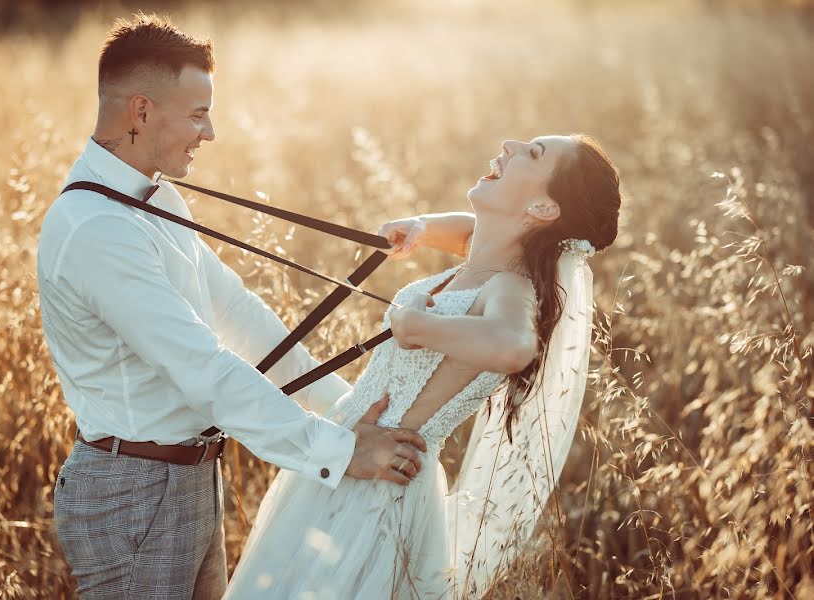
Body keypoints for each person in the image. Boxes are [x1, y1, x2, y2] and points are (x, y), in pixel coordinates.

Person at [37, 13, 433, 599]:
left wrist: (347, 409)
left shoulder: (157, 196)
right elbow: (203, 367)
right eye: (197, 114)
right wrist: (342, 451)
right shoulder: (95, 227)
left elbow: (242, 319)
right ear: (141, 112)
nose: (211, 132)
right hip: (131, 494)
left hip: (193, 479)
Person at [223, 134, 621, 599]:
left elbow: (515, 346)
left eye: (533, 153)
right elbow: (469, 233)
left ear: (542, 209)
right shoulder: (481, 259)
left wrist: (419, 326)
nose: (510, 143)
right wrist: (419, 226)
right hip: (347, 460)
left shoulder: (509, 289)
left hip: (377, 484)